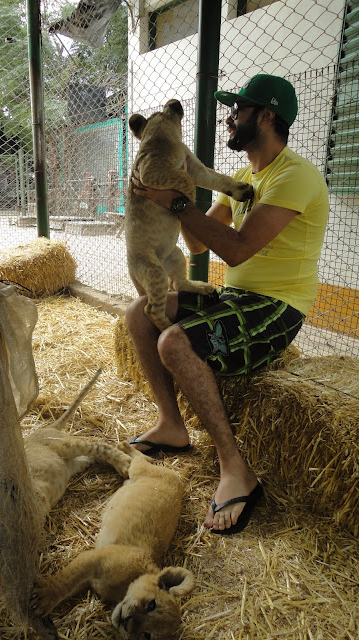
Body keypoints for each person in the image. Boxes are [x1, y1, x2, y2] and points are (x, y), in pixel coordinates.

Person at [126, 74, 329, 535]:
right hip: (236, 298)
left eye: (237, 110)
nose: (229, 118)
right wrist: (159, 200)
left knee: (174, 343)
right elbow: (198, 245)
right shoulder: (240, 178)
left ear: (266, 115)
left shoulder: (295, 176)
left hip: (276, 306)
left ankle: (237, 470)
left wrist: (176, 202)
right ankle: (171, 425)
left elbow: (236, 250)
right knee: (139, 314)